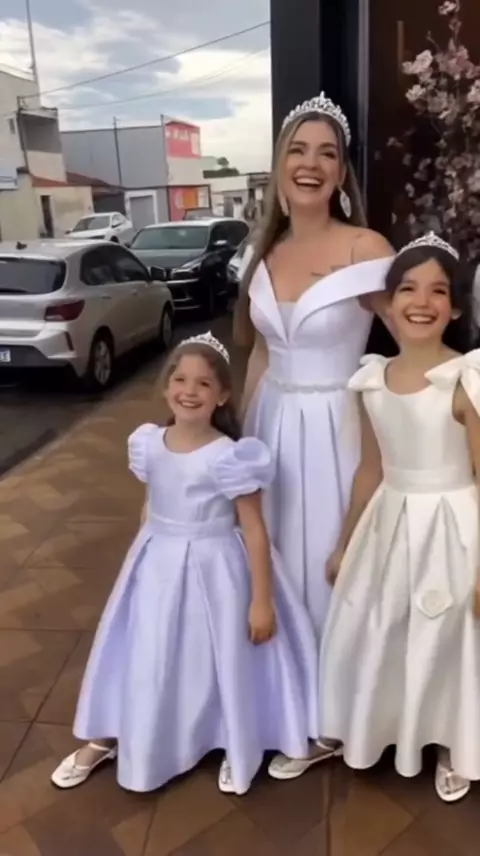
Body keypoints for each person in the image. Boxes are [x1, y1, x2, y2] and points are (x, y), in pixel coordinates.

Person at [50, 332, 319, 796]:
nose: (189, 391)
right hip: (157, 561)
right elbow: (151, 503)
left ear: (223, 395)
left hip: (216, 568)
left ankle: (235, 739)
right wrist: (142, 556)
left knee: (215, 655)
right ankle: (115, 735)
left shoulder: (231, 456)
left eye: (203, 383)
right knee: (149, 651)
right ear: (165, 386)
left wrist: (262, 601)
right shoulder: (149, 443)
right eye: (180, 380)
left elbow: (254, 529)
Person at [234, 92, 394, 779]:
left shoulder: (366, 247)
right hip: (272, 425)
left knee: (334, 563)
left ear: (341, 172)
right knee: (273, 561)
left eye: (327, 153)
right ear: (279, 164)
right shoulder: (263, 251)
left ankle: (335, 716)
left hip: (339, 426)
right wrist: (239, 446)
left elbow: (415, 332)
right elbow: (261, 357)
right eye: (298, 149)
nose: (311, 163)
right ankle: (282, 704)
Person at [319, 233, 480, 803]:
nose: (422, 301)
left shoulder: (465, 378)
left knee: (449, 632)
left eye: (439, 291)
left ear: (455, 308)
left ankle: (455, 740)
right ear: (388, 302)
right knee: (389, 625)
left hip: (454, 523)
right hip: (391, 520)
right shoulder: (371, 379)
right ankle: (387, 725)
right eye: (408, 288)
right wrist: (345, 543)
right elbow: (369, 470)